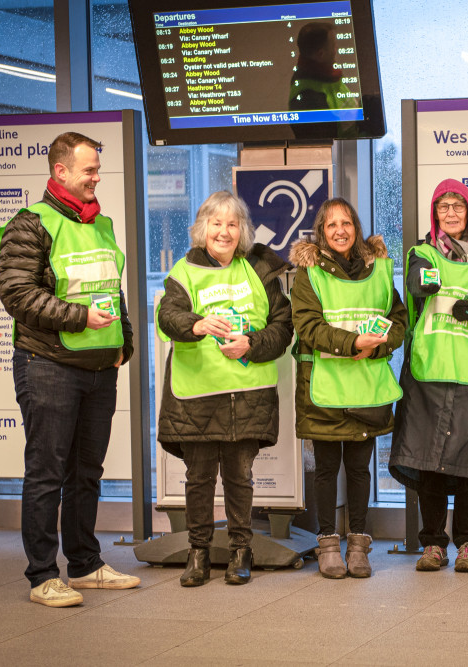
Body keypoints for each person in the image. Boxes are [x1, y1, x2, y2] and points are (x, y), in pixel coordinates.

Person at [0, 131, 140, 607]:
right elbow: (17, 294)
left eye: (97, 169)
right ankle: (42, 575)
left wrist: (126, 342)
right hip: (48, 365)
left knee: (87, 473)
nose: (97, 178)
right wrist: (79, 318)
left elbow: (111, 289)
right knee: (46, 474)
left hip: (100, 366)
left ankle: (84, 564)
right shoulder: (29, 225)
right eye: (89, 171)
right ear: (60, 171)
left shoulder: (101, 225)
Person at [157, 191, 293, 588]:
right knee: (198, 477)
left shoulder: (259, 269)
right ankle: (197, 552)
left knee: (239, 476)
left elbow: (282, 327)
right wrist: (197, 325)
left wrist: (252, 343)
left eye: (233, 224)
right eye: (216, 223)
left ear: (242, 231)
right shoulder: (183, 271)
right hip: (197, 394)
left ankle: (240, 551)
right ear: (203, 228)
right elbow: (169, 316)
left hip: (247, 394)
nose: (224, 231)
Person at [389, 179, 468, 573]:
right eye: (443, 207)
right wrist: (425, 281)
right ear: (435, 213)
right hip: (429, 374)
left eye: (457, 206)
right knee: (428, 464)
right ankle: (432, 544)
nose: (450, 214)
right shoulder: (422, 253)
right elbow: (415, 285)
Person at [289, 197, 407, 579]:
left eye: (347, 223)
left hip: (366, 385)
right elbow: (307, 326)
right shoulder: (309, 273)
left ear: (356, 227)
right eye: (331, 224)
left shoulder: (378, 269)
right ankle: (327, 544)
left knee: (359, 470)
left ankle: (358, 545)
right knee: (326, 469)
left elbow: (398, 319)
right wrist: (354, 343)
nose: (340, 230)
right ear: (321, 232)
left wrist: (381, 345)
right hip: (324, 387)